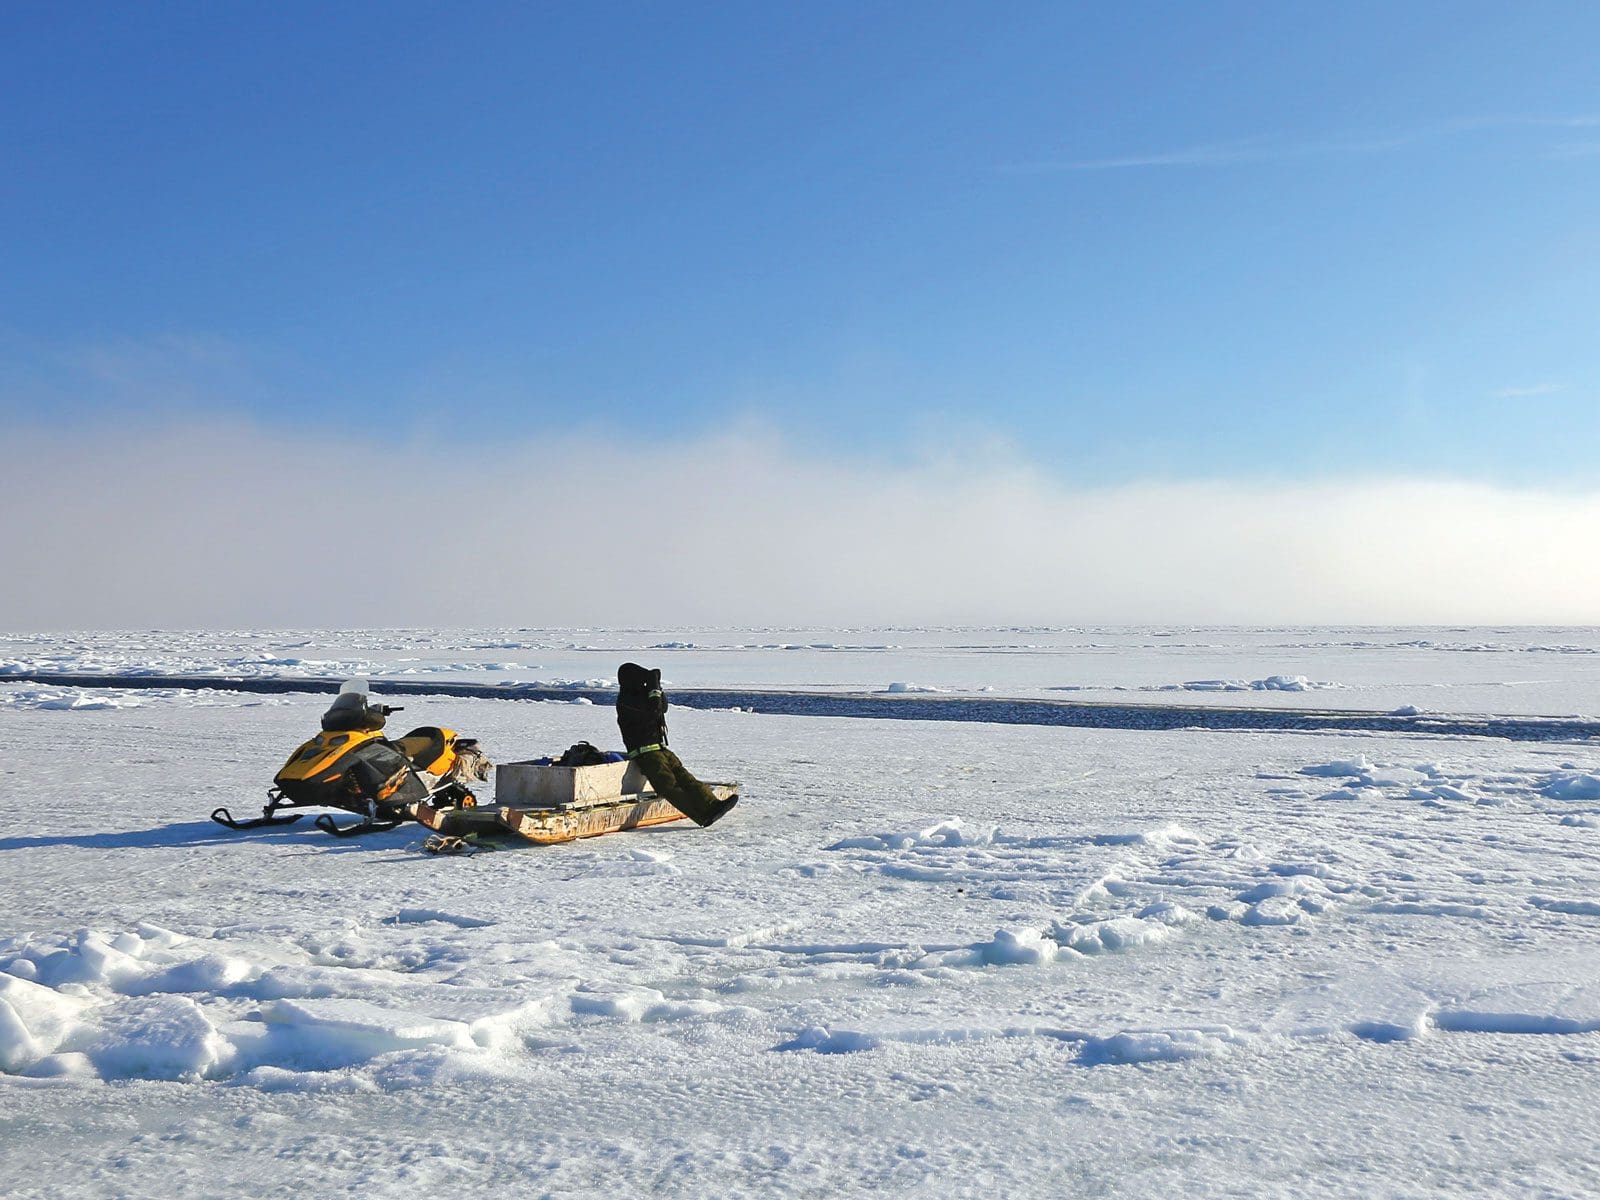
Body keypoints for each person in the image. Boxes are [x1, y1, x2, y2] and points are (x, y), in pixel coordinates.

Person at [615, 662, 738, 827]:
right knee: (669, 785)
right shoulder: (626, 701)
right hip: (645, 754)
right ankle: (701, 815)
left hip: (659, 748)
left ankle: (712, 804)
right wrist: (653, 688)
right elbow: (654, 710)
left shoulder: (640, 694)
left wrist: (656, 686)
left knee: (685, 778)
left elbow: (662, 707)